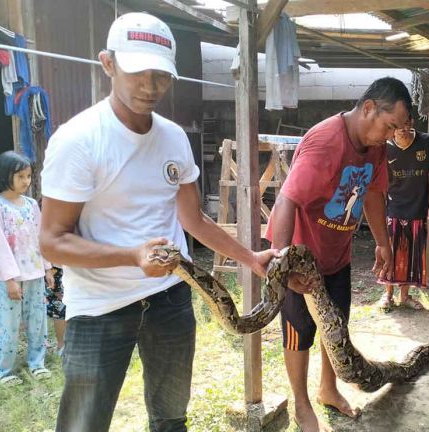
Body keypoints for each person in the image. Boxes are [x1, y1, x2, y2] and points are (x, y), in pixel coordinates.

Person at [39, 13, 276, 432]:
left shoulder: (173, 138)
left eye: (161, 76)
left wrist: (251, 257)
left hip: (170, 298)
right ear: (108, 64)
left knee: (170, 419)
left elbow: (194, 220)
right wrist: (132, 256)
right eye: (137, 72)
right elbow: (53, 241)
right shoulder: (77, 140)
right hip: (99, 307)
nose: (150, 87)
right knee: (82, 424)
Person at [266, 77, 411, 431]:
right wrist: (283, 263)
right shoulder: (326, 142)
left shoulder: (375, 147)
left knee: (337, 327)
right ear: (368, 109)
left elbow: (375, 193)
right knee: (299, 330)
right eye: (390, 126)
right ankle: (301, 404)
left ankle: (327, 389)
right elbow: (286, 199)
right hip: (302, 255)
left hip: (337, 254)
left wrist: (382, 242)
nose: (392, 135)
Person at [0, 150, 54, 386]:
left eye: (28, 176)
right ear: (5, 175)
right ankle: (2, 372)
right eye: (21, 176)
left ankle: (37, 363)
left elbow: (40, 237)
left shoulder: (30, 205)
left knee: (37, 320)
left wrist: (47, 268)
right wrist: (10, 279)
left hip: (35, 273)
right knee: (8, 323)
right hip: (11, 278)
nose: (26, 181)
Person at [377, 114, 429, 311]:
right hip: (394, 206)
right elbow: (380, 183)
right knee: (392, 249)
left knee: (412, 251)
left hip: (418, 206)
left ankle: (405, 296)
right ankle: (387, 295)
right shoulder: (384, 147)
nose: (403, 129)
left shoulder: (426, 142)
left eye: (407, 124)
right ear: (392, 127)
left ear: (412, 123)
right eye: (399, 125)